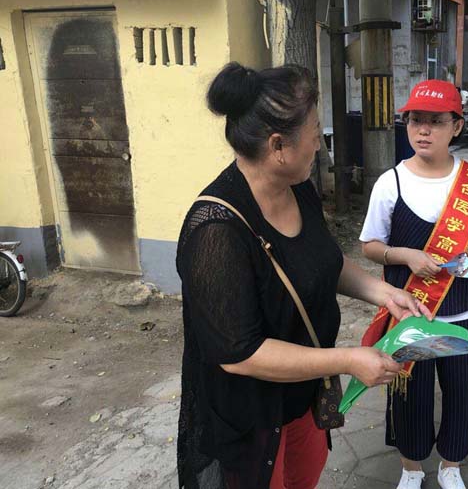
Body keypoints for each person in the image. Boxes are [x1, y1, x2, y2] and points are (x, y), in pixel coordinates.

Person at [175, 62, 432, 489]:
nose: (318, 143)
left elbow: (322, 262)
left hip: (304, 395)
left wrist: (385, 293)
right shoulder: (216, 230)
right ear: (278, 146)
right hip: (250, 418)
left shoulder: (298, 189)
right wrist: (348, 360)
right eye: (314, 132)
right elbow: (241, 354)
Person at [359, 80, 468, 489]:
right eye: (416, 120)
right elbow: (370, 246)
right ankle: (411, 468)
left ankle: (452, 465)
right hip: (413, 312)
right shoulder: (390, 183)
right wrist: (406, 255)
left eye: (436, 121)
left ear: (457, 126)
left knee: (463, 390)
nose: (423, 130)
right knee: (409, 393)